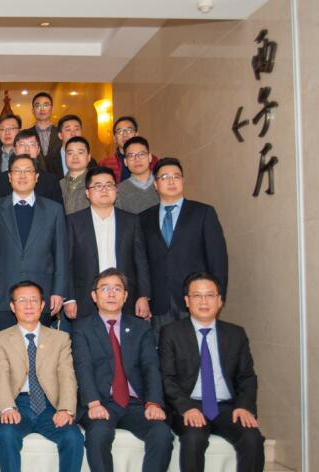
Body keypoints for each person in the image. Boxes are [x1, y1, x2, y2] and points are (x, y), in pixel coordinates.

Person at [159, 272, 265, 472]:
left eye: (209, 295)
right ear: (187, 301)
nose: (203, 301)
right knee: (194, 437)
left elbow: (247, 377)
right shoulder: (171, 333)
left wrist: (244, 406)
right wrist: (186, 408)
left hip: (227, 407)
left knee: (252, 438)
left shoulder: (236, 334)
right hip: (190, 405)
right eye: (197, 296)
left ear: (220, 300)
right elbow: (167, 378)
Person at [72, 268, 173, 472]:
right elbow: (83, 367)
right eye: (105, 289)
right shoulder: (82, 328)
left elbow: (151, 367)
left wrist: (153, 402)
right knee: (98, 435)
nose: (111, 294)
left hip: (135, 403)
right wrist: (93, 403)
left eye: (117, 289)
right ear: (94, 296)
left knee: (162, 434)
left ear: (125, 296)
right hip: (101, 402)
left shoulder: (141, 328)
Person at [0, 280, 84, 472]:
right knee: (6, 434)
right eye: (22, 300)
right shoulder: (0, 339)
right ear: (12, 306)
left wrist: (65, 409)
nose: (28, 305)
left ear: (42, 305)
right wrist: (7, 408)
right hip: (17, 404)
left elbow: (67, 376)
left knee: (73, 437)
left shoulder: (60, 338)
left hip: (50, 405)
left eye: (34, 300)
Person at [139, 157, 228, 334]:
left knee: (196, 348)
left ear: (183, 180)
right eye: (165, 177)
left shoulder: (203, 213)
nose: (171, 181)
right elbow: (141, 261)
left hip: (196, 299)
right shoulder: (143, 218)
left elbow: (217, 258)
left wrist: (218, 296)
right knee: (162, 348)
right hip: (159, 302)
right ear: (155, 184)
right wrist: (143, 296)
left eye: (176, 176)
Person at [0, 155, 68, 332]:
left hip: (41, 296)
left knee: (40, 348)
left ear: (37, 177)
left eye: (28, 171)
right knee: (5, 348)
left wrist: (58, 291)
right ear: (9, 177)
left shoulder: (54, 210)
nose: (22, 175)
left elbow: (61, 254)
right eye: (17, 171)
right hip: (3, 296)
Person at [65, 166, 151, 324]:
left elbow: (140, 260)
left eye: (109, 185)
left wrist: (143, 296)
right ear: (87, 192)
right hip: (85, 297)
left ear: (116, 190)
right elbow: (67, 263)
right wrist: (69, 298)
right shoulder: (73, 222)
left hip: (125, 296)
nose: (104, 189)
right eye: (98, 186)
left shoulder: (131, 221)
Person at [0, 130, 63, 206]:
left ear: (38, 150)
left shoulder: (51, 181)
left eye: (32, 144)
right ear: (14, 150)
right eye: (22, 145)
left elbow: (56, 210)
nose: (27, 149)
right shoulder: (0, 181)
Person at [100, 116, 158, 183]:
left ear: (136, 134)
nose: (125, 134)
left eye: (129, 131)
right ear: (114, 138)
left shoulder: (152, 160)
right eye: (120, 132)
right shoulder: (105, 164)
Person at [114, 136, 160, 214]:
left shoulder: (162, 183)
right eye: (131, 156)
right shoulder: (118, 191)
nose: (137, 159)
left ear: (150, 157)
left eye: (141, 154)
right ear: (125, 162)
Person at [45, 114, 95, 180]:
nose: (73, 133)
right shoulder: (48, 162)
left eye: (77, 129)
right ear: (60, 135)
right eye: (68, 130)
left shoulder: (91, 162)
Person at [60, 136, 93, 215]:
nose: (75, 157)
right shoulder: (59, 185)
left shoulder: (95, 184)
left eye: (80, 152)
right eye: (70, 153)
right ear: (65, 157)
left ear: (89, 157)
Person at [24, 92, 62, 158]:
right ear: (33, 110)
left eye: (46, 105)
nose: (42, 109)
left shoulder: (61, 133)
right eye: (38, 106)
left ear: (52, 109)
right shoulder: (25, 134)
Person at [0, 114, 21, 178]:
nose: (7, 133)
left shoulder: (27, 154)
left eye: (11, 128)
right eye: (2, 129)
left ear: (19, 131)